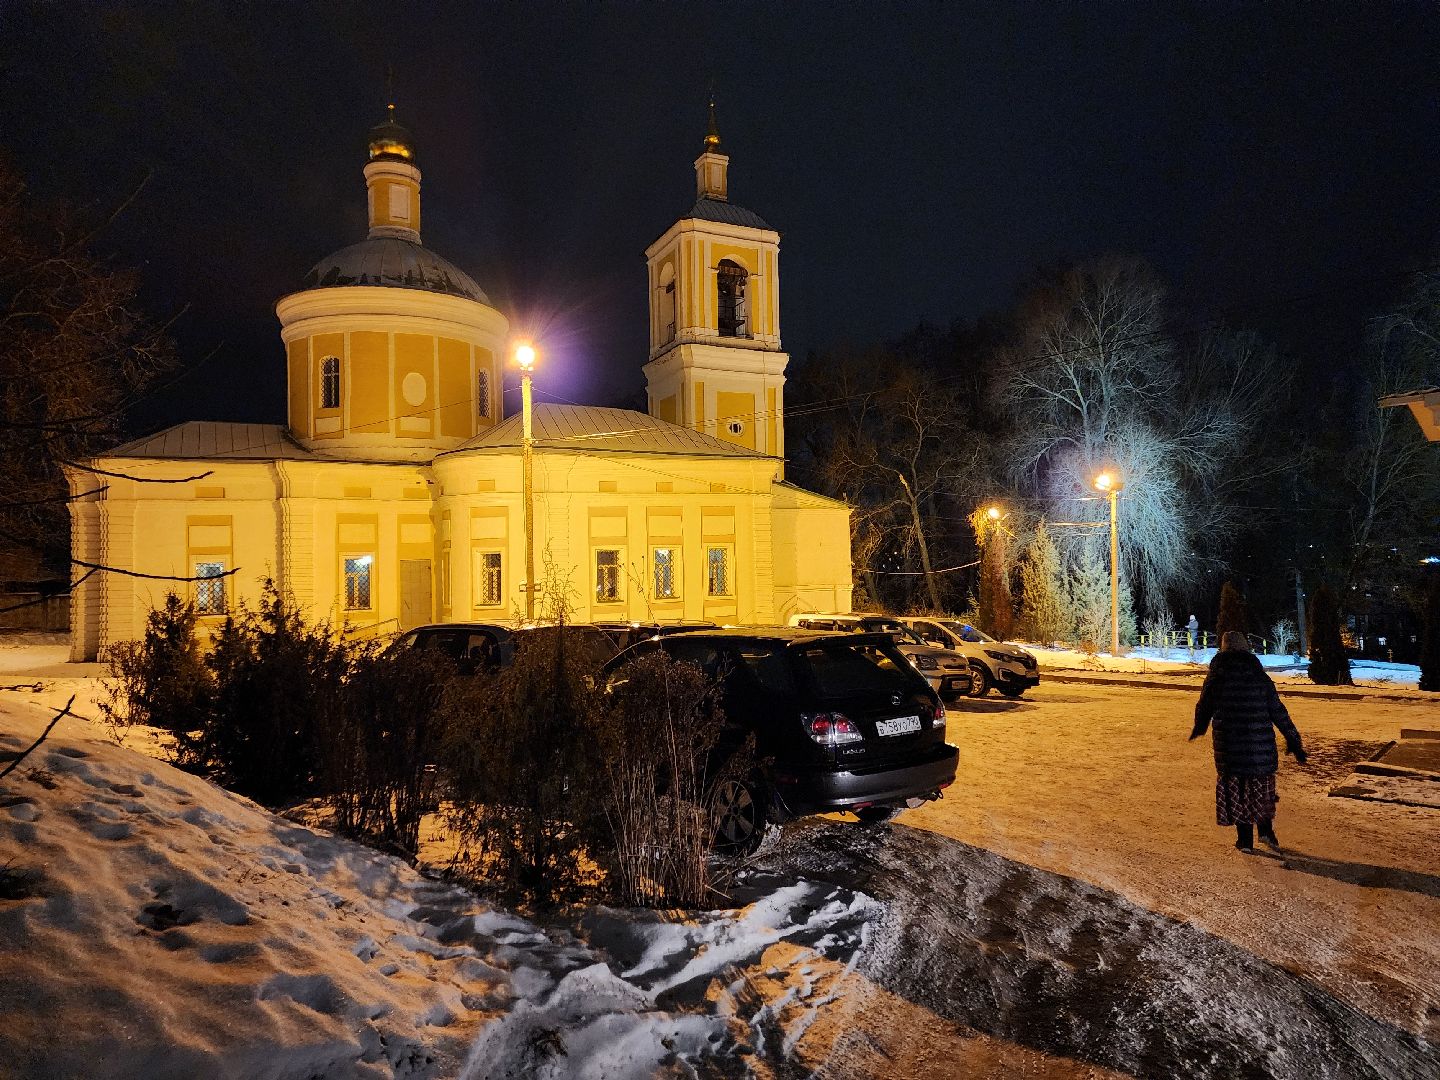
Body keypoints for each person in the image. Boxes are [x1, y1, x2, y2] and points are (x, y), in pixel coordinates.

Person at [1190, 631, 1308, 852]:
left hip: (1231, 746)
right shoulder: (1258, 675)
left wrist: (1200, 726)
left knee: (1239, 790)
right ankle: (1266, 833)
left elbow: (1204, 705)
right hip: (1259, 747)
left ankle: (1245, 841)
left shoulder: (1217, 676)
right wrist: (1294, 739)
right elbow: (1278, 710)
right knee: (1260, 790)